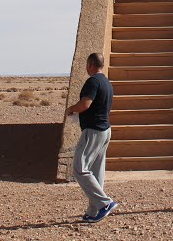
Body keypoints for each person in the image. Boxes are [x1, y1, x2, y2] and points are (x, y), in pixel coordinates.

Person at [66, 52, 117, 223]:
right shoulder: (107, 83)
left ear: (90, 65)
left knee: (80, 168)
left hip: (93, 130)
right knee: (96, 170)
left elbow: (85, 104)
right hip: (105, 130)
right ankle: (93, 211)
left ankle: (104, 203)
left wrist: (72, 109)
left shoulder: (93, 81)